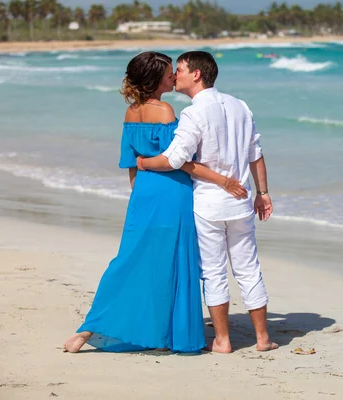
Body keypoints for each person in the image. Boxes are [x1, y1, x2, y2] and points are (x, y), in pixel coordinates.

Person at [63, 51, 247, 354]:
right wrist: (222, 180)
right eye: (168, 72)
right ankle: (170, 335)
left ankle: (88, 330)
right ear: (156, 79)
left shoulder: (130, 113)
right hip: (171, 194)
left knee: (130, 261)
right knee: (171, 262)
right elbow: (179, 161)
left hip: (143, 195)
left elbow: (130, 163)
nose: (174, 76)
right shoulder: (164, 110)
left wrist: (138, 197)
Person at [137, 51, 278, 353]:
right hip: (241, 203)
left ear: (197, 74)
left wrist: (145, 163)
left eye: (181, 69)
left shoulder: (193, 112)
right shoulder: (240, 105)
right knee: (248, 268)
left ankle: (223, 340)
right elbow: (256, 154)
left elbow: (175, 158)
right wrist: (262, 193)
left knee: (214, 272)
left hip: (209, 204)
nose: (176, 75)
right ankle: (263, 338)